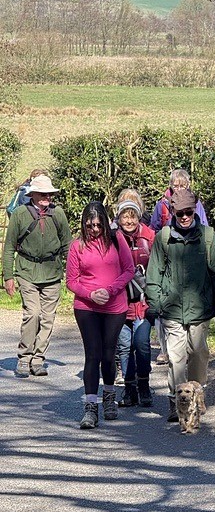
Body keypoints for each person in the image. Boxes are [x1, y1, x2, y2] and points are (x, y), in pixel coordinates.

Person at [146, 188, 215, 422]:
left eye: (188, 212)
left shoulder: (208, 237)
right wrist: (154, 303)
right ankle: (176, 402)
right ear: (173, 212)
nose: (184, 217)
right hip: (171, 309)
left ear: (195, 212)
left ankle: (196, 395)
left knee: (199, 353)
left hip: (200, 308)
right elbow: (154, 273)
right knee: (176, 358)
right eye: (180, 213)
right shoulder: (163, 238)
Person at [66, 201, 135, 430]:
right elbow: (71, 281)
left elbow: (129, 270)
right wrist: (91, 294)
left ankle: (109, 396)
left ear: (105, 223)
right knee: (92, 354)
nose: (94, 230)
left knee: (108, 354)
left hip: (114, 305)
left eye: (98, 225)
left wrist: (110, 290)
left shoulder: (117, 239)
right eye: (89, 226)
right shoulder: (77, 246)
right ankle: (90, 407)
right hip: (87, 306)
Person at [2, 173, 72, 377]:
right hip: (26, 271)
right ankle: (24, 358)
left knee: (48, 318)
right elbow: (9, 247)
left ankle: (38, 358)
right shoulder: (20, 214)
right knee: (32, 314)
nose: (46, 197)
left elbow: (68, 245)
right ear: (32, 194)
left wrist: (73, 274)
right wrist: (8, 276)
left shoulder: (58, 214)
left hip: (52, 272)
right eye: (42, 194)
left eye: (49, 194)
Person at [145, 169, 209, 365]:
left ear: (188, 185)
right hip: (167, 252)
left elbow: (204, 226)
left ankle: (189, 348)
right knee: (166, 305)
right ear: (170, 186)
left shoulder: (197, 204)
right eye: (176, 185)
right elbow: (153, 228)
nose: (179, 188)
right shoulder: (162, 205)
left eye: (183, 185)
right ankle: (166, 350)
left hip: (192, 253)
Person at [114, 197, 156, 408]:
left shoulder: (150, 237)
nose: (129, 221)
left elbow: (159, 266)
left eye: (132, 216)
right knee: (124, 346)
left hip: (143, 302)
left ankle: (144, 386)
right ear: (118, 218)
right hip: (120, 303)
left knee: (141, 344)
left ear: (139, 217)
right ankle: (129, 389)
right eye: (124, 216)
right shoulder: (112, 238)